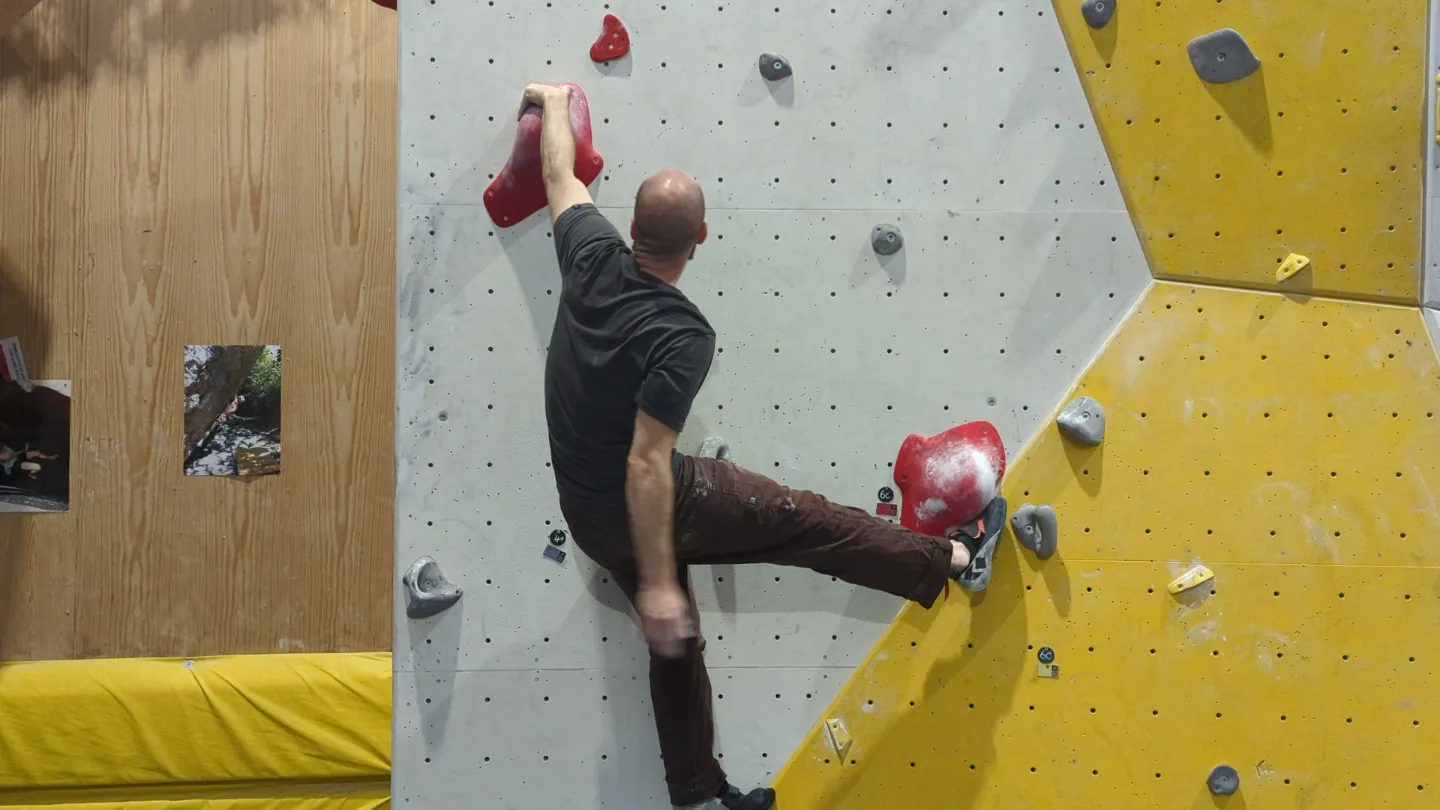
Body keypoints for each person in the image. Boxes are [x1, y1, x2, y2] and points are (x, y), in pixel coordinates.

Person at [526, 82, 1006, 810]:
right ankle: (956, 558)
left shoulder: (590, 254)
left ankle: (698, 794)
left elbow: (559, 174)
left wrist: (553, 101)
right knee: (803, 521)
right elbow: (647, 463)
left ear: (627, 224)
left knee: (675, 645)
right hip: (639, 501)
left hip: (585, 514)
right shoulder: (681, 335)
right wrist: (658, 580)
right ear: (703, 239)